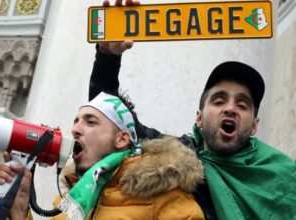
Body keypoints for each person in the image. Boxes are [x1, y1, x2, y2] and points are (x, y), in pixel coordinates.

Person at [89, 21, 296, 220]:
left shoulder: (280, 175)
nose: (230, 109)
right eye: (219, 101)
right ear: (199, 117)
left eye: (242, 105)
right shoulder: (173, 156)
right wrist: (107, 57)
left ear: (254, 126)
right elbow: (111, 120)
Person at [0, 92, 205, 220]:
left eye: (90, 122)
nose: (76, 129)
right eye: (76, 121)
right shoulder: (68, 203)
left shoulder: (164, 197)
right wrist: (20, 210)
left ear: (122, 139)